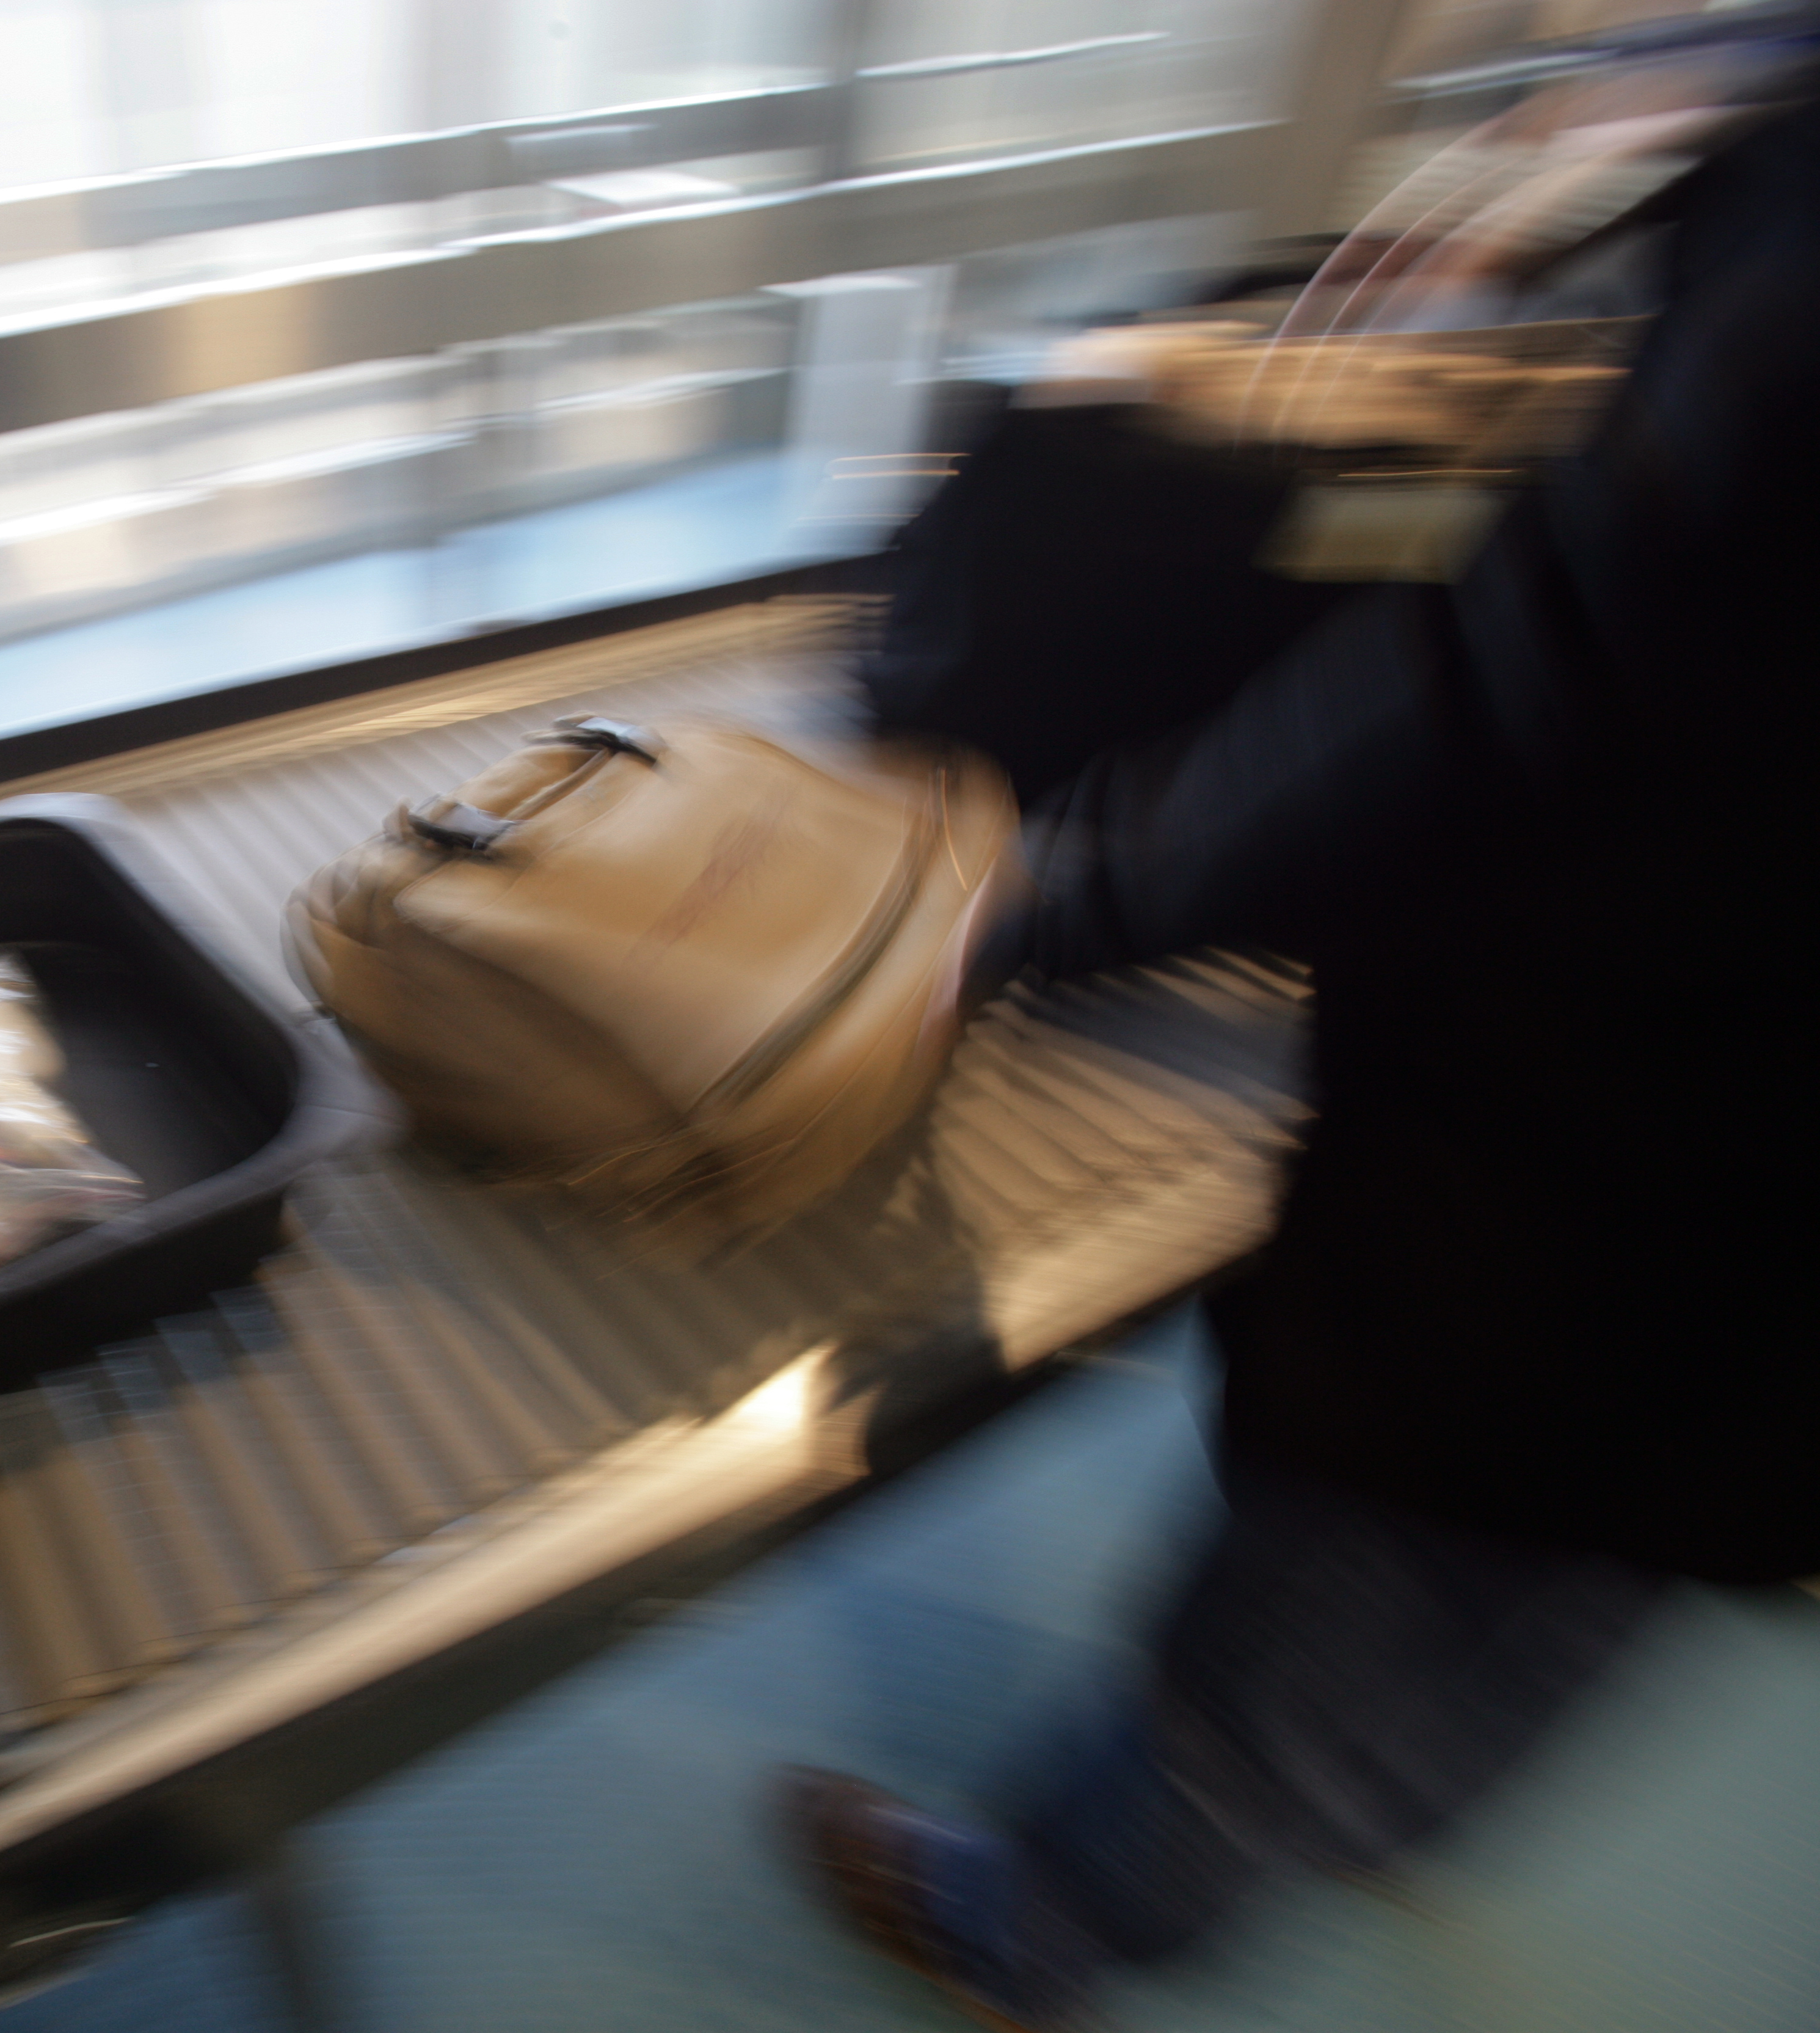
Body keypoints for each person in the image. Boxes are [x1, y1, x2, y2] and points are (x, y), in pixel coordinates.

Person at [776, 45, 1820, 2033]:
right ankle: (1384, 1814)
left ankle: (1044, 1931)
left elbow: (1525, 681)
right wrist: (1692, 141)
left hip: (1653, 1146)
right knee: (1597, 1572)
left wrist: (1072, 892)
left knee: (1371, 1562)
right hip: (1755, 1232)